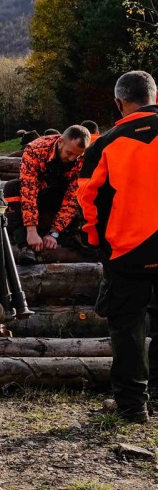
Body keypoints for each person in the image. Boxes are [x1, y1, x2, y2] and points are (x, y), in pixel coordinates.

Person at [78, 71, 158, 423]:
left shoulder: (105, 143)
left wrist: (95, 241)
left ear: (119, 103)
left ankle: (133, 405)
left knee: (127, 329)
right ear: (155, 95)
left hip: (126, 250)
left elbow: (87, 199)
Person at [2, 124, 89, 254]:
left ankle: (63, 234)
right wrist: (31, 231)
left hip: (58, 197)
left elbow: (72, 198)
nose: (72, 159)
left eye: (76, 156)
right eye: (69, 153)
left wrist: (54, 232)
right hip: (37, 194)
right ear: (61, 142)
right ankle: (24, 243)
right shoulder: (35, 149)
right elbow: (28, 191)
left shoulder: (83, 158)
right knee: (12, 187)